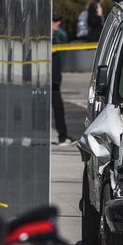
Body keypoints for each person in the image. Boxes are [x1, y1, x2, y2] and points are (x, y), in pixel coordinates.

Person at [51, 13, 72, 146]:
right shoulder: (44, 38)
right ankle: (62, 137)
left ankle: (63, 137)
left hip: (54, 81)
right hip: (46, 81)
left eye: (59, 20)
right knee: (55, 108)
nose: (58, 22)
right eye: (55, 20)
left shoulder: (55, 38)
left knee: (58, 108)